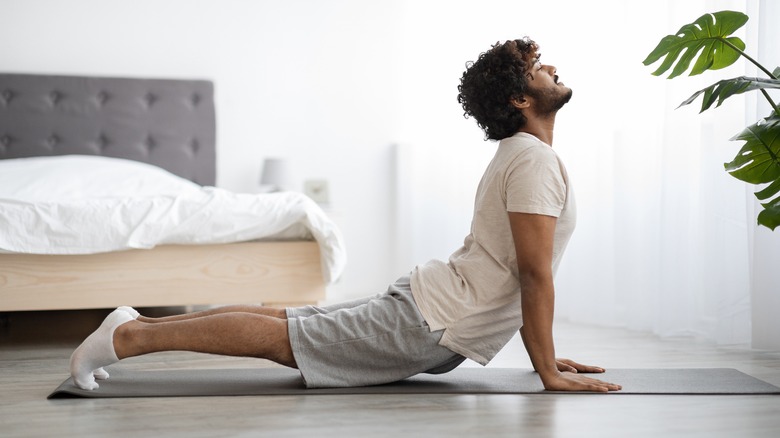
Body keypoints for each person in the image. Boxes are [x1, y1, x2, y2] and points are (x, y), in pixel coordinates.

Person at [70, 37, 621, 393]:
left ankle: (133, 325)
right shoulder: (533, 161)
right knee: (284, 339)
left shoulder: (522, 156)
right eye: (535, 68)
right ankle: (128, 340)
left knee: (288, 323)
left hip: (434, 304)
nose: (549, 67)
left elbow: (519, 267)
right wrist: (546, 368)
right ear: (521, 102)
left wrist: (546, 357)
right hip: (434, 319)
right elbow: (532, 272)